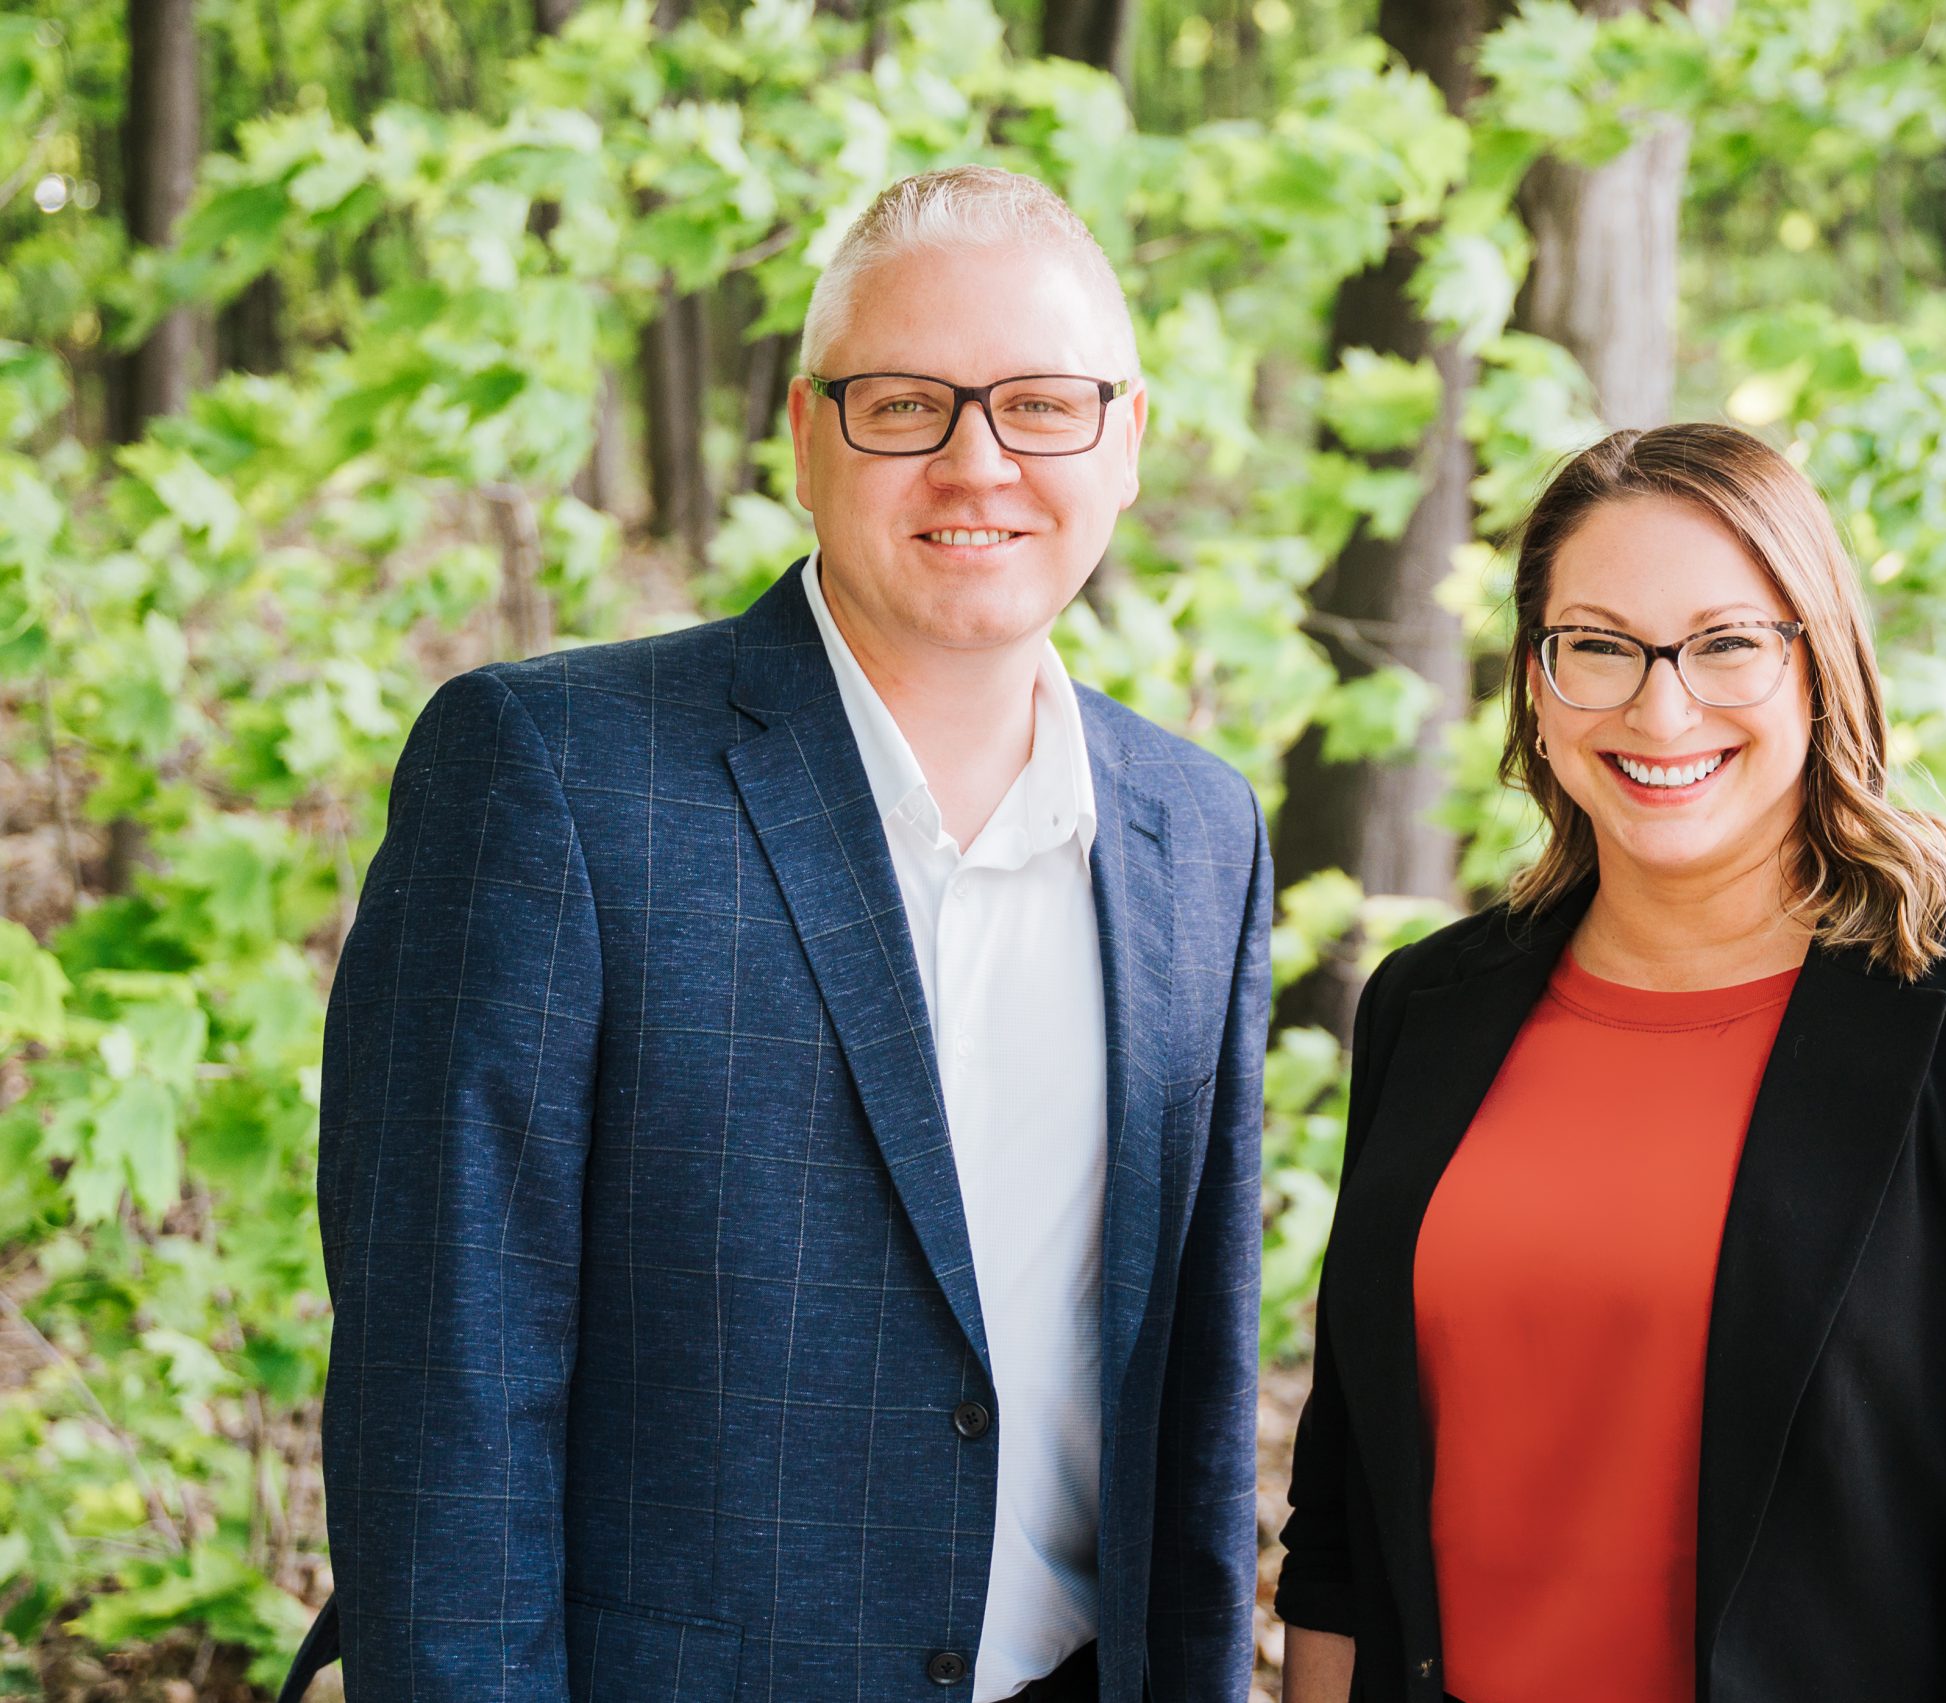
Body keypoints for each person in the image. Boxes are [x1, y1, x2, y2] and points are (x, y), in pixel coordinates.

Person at [281, 167, 1270, 1703]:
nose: (977, 460)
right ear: (807, 436)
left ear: (1126, 440)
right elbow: (442, 1409)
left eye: (1041, 406)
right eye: (904, 404)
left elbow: (1190, 1412)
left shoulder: (1197, 831)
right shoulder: (553, 777)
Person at [1273, 423, 1946, 1703]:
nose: (1662, 706)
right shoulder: (1429, 1008)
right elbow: (1341, 1528)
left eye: (1725, 644)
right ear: (1536, 684)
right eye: (1597, 644)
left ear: (1818, 665)